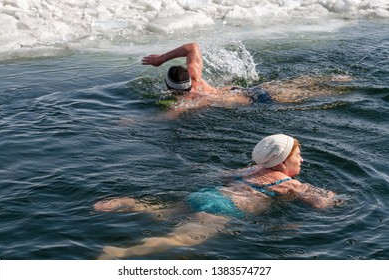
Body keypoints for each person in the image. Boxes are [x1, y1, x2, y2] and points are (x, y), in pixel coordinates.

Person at [94, 134, 338, 259]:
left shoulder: (251, 169)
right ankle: (122, 254)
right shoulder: (289, 182)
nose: (302, 160)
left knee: (167, 213)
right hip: (225, 208)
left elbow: (224, 175)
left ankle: (134, 205)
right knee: (183, 239)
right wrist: (328, 196)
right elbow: (320, 204)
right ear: (284, 164)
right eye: (298, 157)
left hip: (207, 194)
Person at [141, 42, 352, 117]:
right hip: (242, 90)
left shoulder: (187, 101)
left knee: (313, 94)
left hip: (253, 99)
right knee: (299, 84)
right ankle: (341, 79)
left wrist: (134, 122)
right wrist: (162, 58)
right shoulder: (195, 76)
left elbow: (168, 117)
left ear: (170, 87)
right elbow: (192, 47)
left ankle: (346, 88)